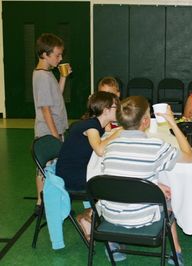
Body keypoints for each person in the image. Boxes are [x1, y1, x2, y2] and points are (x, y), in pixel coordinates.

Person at [97, 96, 192, 264]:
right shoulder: (155, 146)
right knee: (170, 197)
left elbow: (123, 176)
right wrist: (172, 123)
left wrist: (154, 184)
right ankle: (176, 250)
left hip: (110, 215)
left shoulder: (110, 146)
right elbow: (189, 156)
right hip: (143, 217)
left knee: (153, 189)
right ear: (146, 121)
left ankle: (112, 242)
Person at [55, 91, 122, 239]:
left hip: (76, 169)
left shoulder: (97, 124)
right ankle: (88, 216)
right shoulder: (91, 126)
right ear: (106, 110)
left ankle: (90, 215)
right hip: (70, 177)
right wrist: (119, 132)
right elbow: (99, 149)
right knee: (109, 182)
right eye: (116, 107)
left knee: (109, 175)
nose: (119, 109)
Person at [32, 33, 71, 212]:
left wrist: (63, 77)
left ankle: (46, 201)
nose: (60, 58)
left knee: (50, 167)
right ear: (44, 54)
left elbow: (56, 98)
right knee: (45, 168)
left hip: (54, 129)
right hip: (48, 131)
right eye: (57, 55)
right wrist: (55, 136)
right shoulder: (41, 76)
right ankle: (41, 203)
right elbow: (45, 109)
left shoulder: (47, 74)